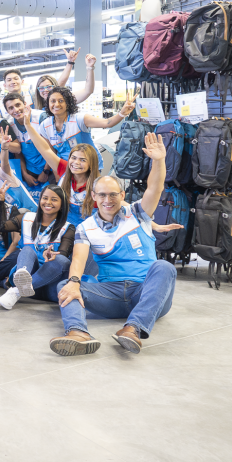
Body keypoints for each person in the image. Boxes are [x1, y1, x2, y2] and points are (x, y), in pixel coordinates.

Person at [49, 132, 178, 357]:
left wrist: (158, 160)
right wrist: (73, 282)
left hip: (146, 293)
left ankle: (133, 328)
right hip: (111, 295)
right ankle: (78, 333)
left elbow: (154, 188)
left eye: (113, 195)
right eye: (102, 195)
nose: (107, 201)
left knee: (164, 267)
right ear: (94, 196)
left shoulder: (138, 214)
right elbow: (78, 260)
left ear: (122, 194)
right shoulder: (85, 227)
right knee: (66, 286)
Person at [0, 184, 76, 311]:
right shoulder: (27, 218)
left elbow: (63, 256)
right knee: (27, 250)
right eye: (45, 198)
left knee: (61, 260)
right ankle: (21, 286)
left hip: (51, 286)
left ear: (62, 204)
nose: (48, 202)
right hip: (31, 278)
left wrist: (51, 254)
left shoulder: (68, 227)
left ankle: (16, 291)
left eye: (54, 199)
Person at [36, 86, 133, 159]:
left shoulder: (80, 119)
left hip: (90, 166)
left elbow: (107, 122)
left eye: (61, 101)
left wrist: (121, 113)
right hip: (66, 168)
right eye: (52, 101)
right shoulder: (45, 126)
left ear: (68, 103)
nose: (56, 104)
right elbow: (51, 153)